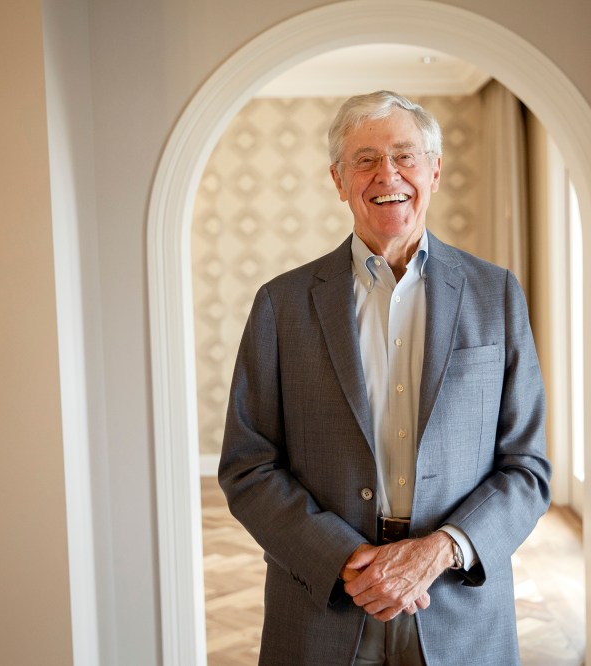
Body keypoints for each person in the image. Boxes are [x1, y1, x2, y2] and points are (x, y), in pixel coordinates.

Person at [219, 90, 551, 665]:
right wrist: (347, 561)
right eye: (365, 159)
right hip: (325, 604)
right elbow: (249, 466)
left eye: (405, 155)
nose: (387, 174)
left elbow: (527, 468)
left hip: (457, 606)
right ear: (339, 179)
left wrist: (439, 551)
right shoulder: (281, 304)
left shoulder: (495, 295)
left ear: (435, 170)